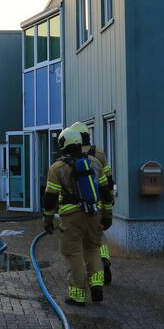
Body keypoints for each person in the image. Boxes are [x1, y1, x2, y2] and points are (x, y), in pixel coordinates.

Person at [42, 125, 113, 306]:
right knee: (93, 248)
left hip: (71, 217)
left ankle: (77, 294)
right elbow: (106, 191)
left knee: (73, 253)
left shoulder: (57, 168)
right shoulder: (95, 163)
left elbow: (50, 197)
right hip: (94, 215)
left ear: (63, 144)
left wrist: (48, 218)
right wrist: (107, 214)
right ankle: (96, 282)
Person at [68, 121, 115, 285]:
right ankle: (104, 259)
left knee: (81, 242)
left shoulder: (73, 155)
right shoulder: (99, 153)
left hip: (79, 205)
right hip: (100, 200)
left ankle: (85, 274)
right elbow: (108, 179)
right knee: (98, 234)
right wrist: (108, 200)